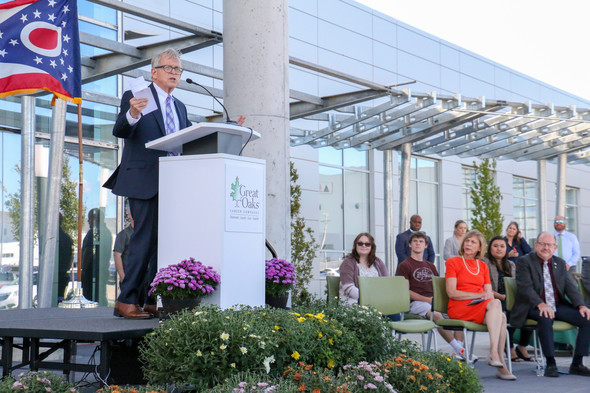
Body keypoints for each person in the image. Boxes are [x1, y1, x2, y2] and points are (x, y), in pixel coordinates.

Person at [103, 48, 192, 319]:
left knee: (163, 244)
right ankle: (126, 300)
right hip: (144, 180)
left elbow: (187, 140)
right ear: (154, 72)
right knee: (143, 240)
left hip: (173, 183)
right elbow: (120, 130)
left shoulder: (180, 106)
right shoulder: (136, 96)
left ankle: (151, 298)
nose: (174, 74)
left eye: (178, 69)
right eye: (169, 68)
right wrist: (132, 114)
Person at [511, 232, 590, 377]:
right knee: (545, 317)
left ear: (555, 247)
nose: (546, 248)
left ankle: (577, 363)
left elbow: (570, 287)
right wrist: (541, 304)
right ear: (536, 245)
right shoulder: (524, 262)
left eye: (550, 245)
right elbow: (525, 287)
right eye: (543, 244)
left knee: (586, 318)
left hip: (556, 305)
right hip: (532, 306)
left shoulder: (559, 263)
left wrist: (581, 305)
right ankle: (550, 363)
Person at [445, 230, 516, 380]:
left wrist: (485, 295)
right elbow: (452, 292)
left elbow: (488, 292)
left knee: (501, 315)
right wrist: (479, 295)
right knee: (499, 312)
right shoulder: (453, 262)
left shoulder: (482, 266)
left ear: (479, 248)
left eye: (473, 242)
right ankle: (497, 359)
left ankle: (496, 356)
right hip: (460, 306)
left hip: (479, 306)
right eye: (467, 241)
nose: (468, 244)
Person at [396, 231, 466, 358]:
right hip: (416, 304)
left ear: (426, 246)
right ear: (410, 245)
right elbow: (405, 292)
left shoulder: (431, 266)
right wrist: (428, 300)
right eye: (415, 241)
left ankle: (459, 352)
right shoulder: (404, 265)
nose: (418, 243)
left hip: (433, 301)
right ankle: (460, 350)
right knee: (437, 315)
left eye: (421, 241)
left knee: (459, 314)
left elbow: (439, 289)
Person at [483, 236, 532, 362]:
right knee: (510, 311)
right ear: (490, 248)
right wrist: (501, 296)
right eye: (495, 246)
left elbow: (516, 284)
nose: (499, 249)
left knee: (529, 309)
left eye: (502, 246)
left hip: (510, 298)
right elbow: (483, 287)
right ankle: (509, 347)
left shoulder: (510, 264)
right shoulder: (484, 262)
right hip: (492, 299)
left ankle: (522, 346)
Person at [339, 232, 388, 305]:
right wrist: (370, 298)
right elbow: (348, 288)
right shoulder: (347, 263)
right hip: (352, 301)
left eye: (367, 244)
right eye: (360, 243)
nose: (364, 246)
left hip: (377, 301)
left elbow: (386, 284)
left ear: (372, 247)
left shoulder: (378, 262)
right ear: (355, 246)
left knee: (395, 314)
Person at [81, 208, 113, 306]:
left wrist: (84, 271)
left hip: (92, 273)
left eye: (89, 218)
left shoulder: (94, 232)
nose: (88, 221)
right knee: (101, 296)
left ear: (95, 218)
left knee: (91, 299)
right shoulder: (107, 232)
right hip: (102, 271)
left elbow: (89, 253)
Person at [113, 207, 138, 304]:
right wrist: (123, 277)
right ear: (130, 216)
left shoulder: (143, 234)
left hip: (141, 277)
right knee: (128, 305)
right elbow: (117, 255)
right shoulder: (123, 235)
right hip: (128, 277)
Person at [57, 213, 73, 301]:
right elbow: (70, 257)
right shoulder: (67, 238)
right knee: (60, 299)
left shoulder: (51, 238)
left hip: (56, 275)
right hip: (63, 275)